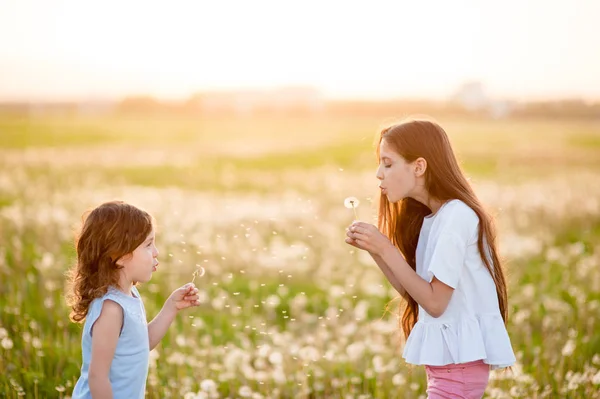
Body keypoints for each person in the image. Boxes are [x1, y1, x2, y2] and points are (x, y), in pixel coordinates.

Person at [345, 119, 515, 398]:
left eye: (388, 164)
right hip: (447, 370)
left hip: (458, 371)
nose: (379, 174)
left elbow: (436, 303)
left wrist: (387, 249)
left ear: (419, 166)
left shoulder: (457, 216)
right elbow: (416, 293)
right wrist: (376, 251)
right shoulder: (432, 219)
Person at [66, 201, 201, 399]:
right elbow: (98, 377)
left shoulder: (129, 295)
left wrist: (171, 307)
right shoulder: (110, 309)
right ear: (119, 256)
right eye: (148, 245)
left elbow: (140, 344)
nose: (156, 252)